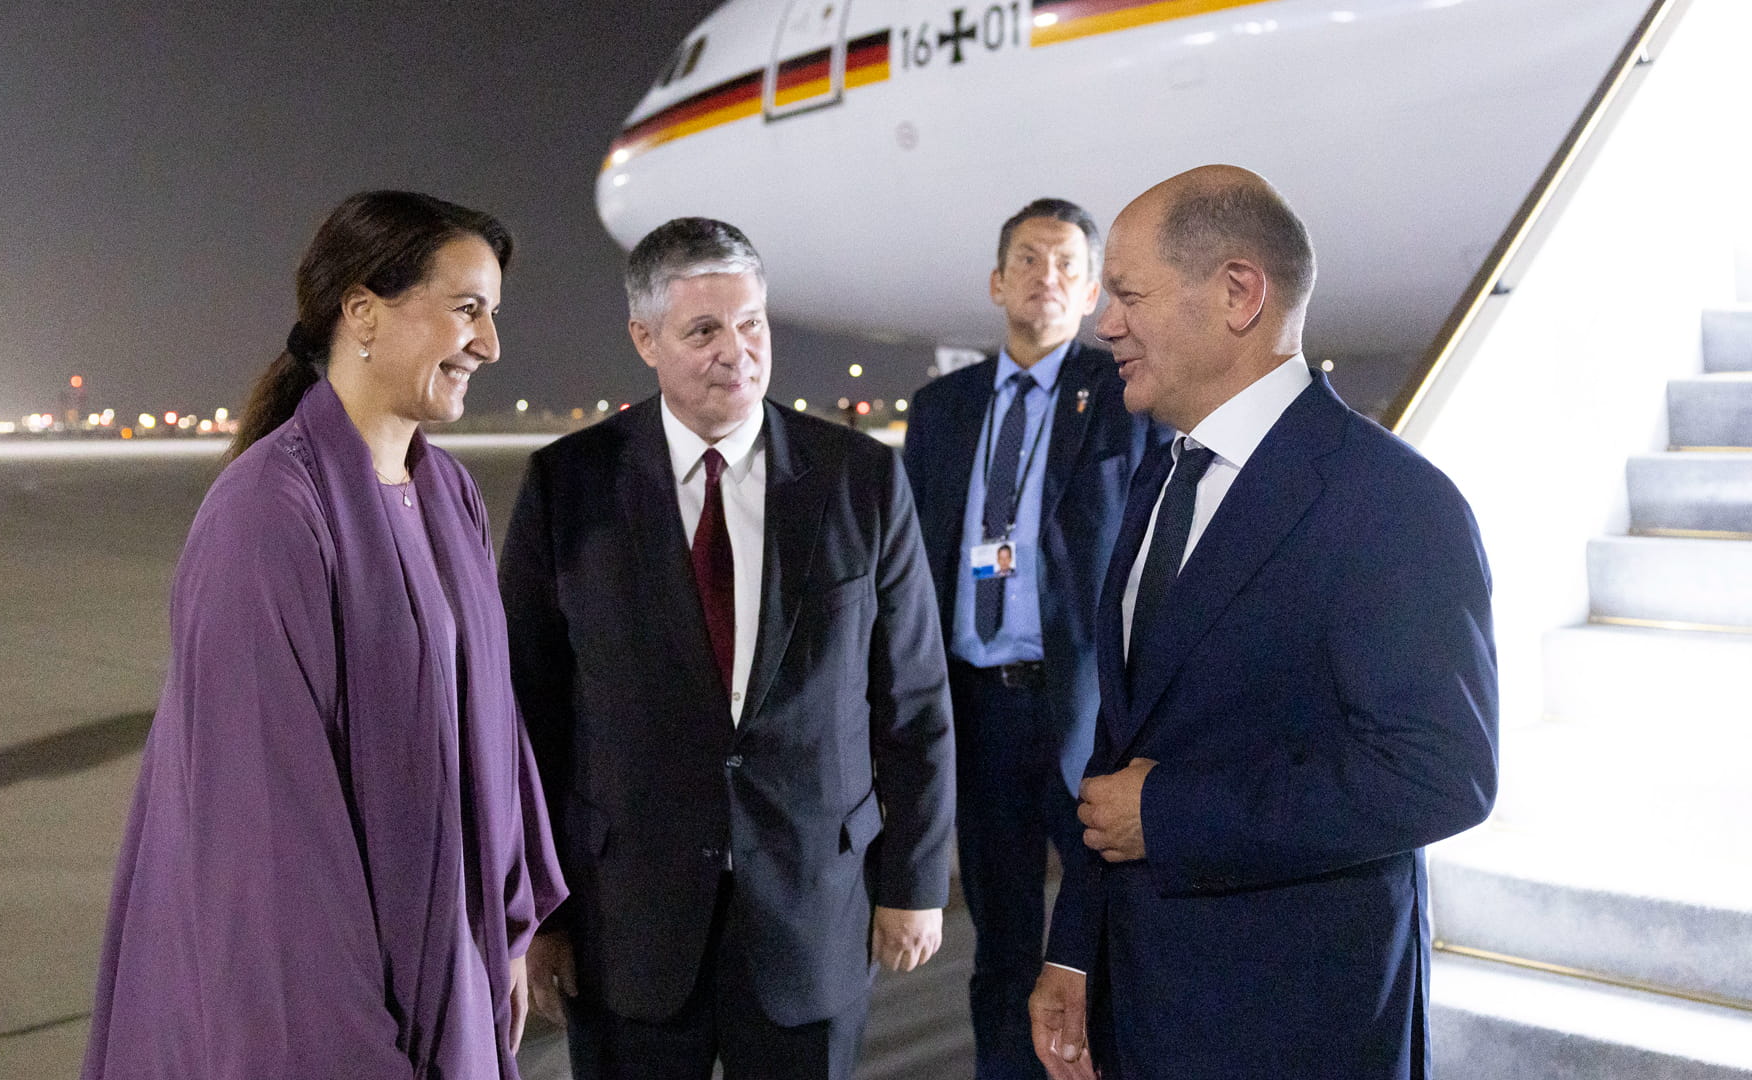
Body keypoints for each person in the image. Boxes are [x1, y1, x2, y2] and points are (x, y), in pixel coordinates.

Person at [81, 191, 567, 1080]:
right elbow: (264, 839)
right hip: (333, 1012)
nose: (490, 344)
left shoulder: (448, 495)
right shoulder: (268, 514)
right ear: (363, 312)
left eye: (493, 313)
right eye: (467, 308)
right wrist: (353, 1045)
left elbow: (495, 730)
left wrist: (505, 928)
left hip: (452, 963)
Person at [1029, 166, 1497, 1080]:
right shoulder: (1164, 473)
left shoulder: (1392, 501)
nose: (1104, 323)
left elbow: (1440, 773)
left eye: (1128, 295)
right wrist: (1076, 950)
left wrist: (1169, 815)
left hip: (1294, 1027)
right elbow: (1124, 742)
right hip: (1142, 1005)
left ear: (1239, 293)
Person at [500, 217, 955, 1080]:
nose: (736, 353)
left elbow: (915, 702)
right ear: (646, 339)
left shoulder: (858, 478)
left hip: (813, 910)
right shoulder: (569, 486)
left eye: (751, 324)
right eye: (703, 330)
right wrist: (540, 916)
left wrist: (915, 883)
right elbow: (528, 716)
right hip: (626, 925)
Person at [902, 198, 1163, 1080]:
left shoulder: (1125, 397)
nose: (1044, 277)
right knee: (1001, 942)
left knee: (1106, 934)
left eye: (1065, 264)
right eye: (1027, 259)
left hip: (1082, 709)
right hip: (976, 712)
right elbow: (912, 564)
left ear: (1090, 292)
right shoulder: (942, 409)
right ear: (996, 281)